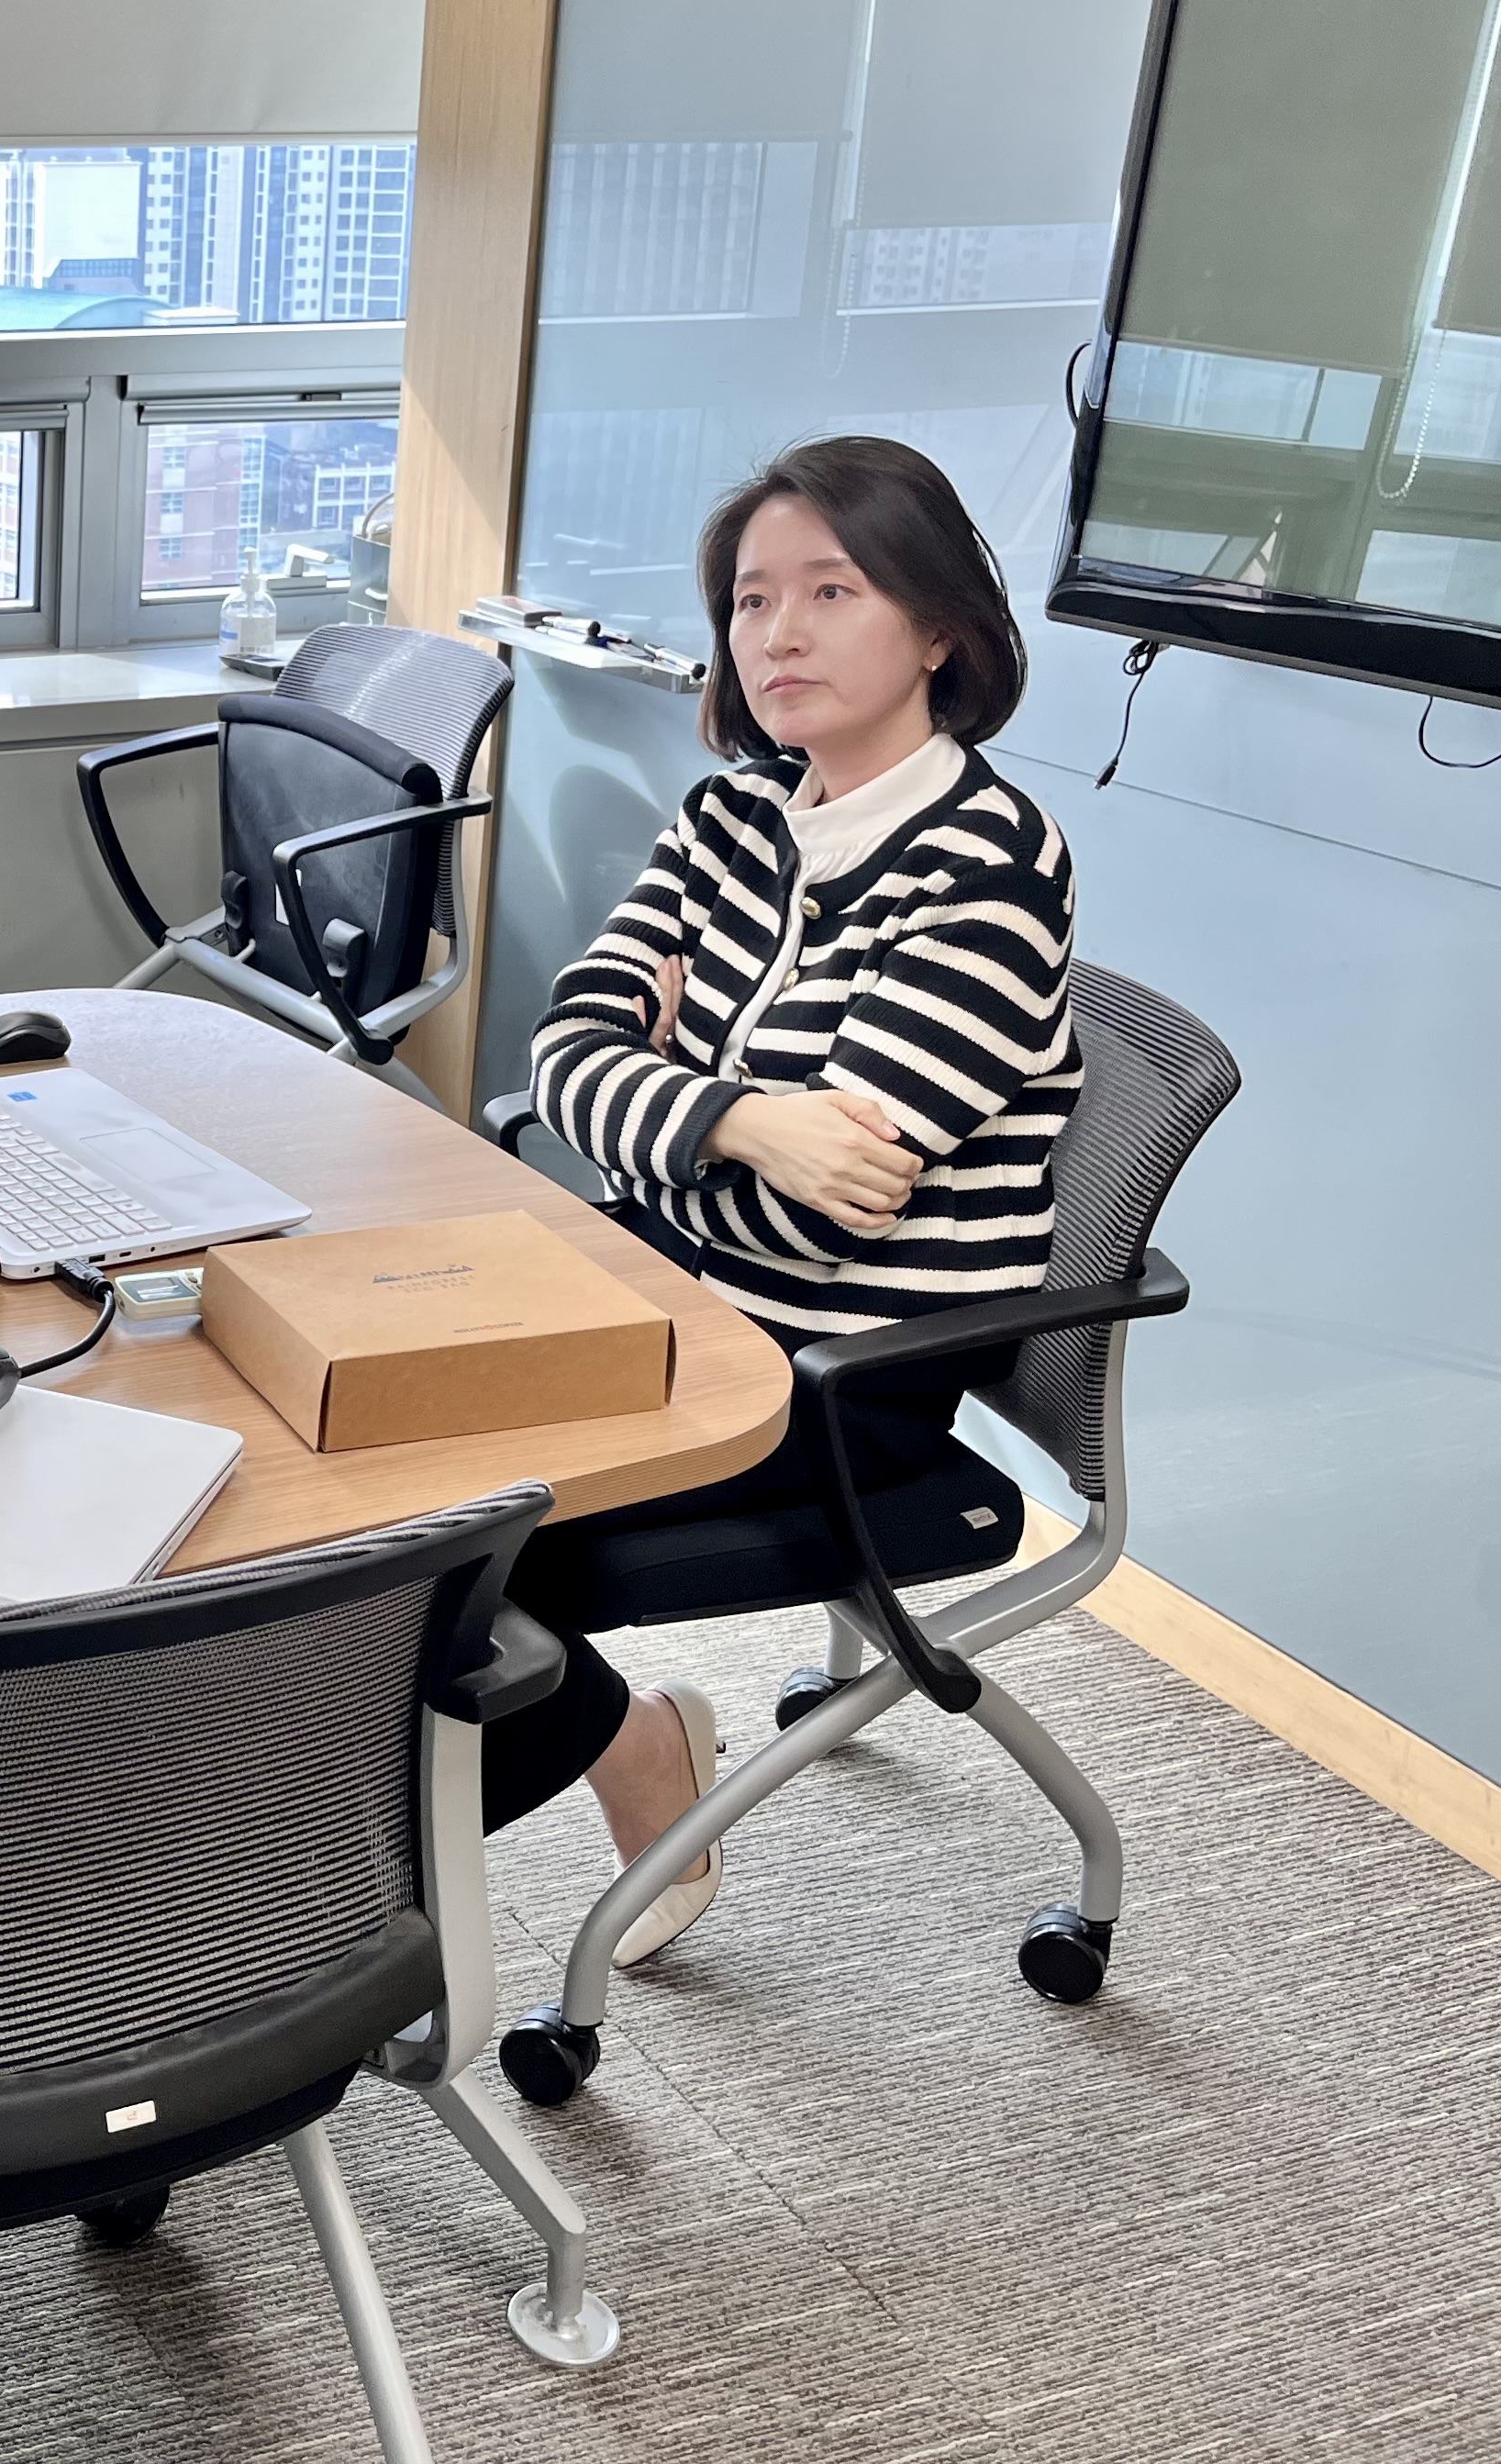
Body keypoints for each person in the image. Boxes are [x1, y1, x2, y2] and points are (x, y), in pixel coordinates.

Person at [491, 436, 1081, 1962]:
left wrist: (669, 1105)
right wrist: (744, 1120)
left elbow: (827, 1216)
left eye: (833, 590)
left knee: (449, 1545)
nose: (779, 634)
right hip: (673, 1292)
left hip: (835, 1376)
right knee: (366, 1463)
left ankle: (342, 1900)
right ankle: (618, 1746)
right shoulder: (731, 816)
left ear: (937, 628)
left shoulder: (987, 870)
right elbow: (558, 1053)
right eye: (752, 599)